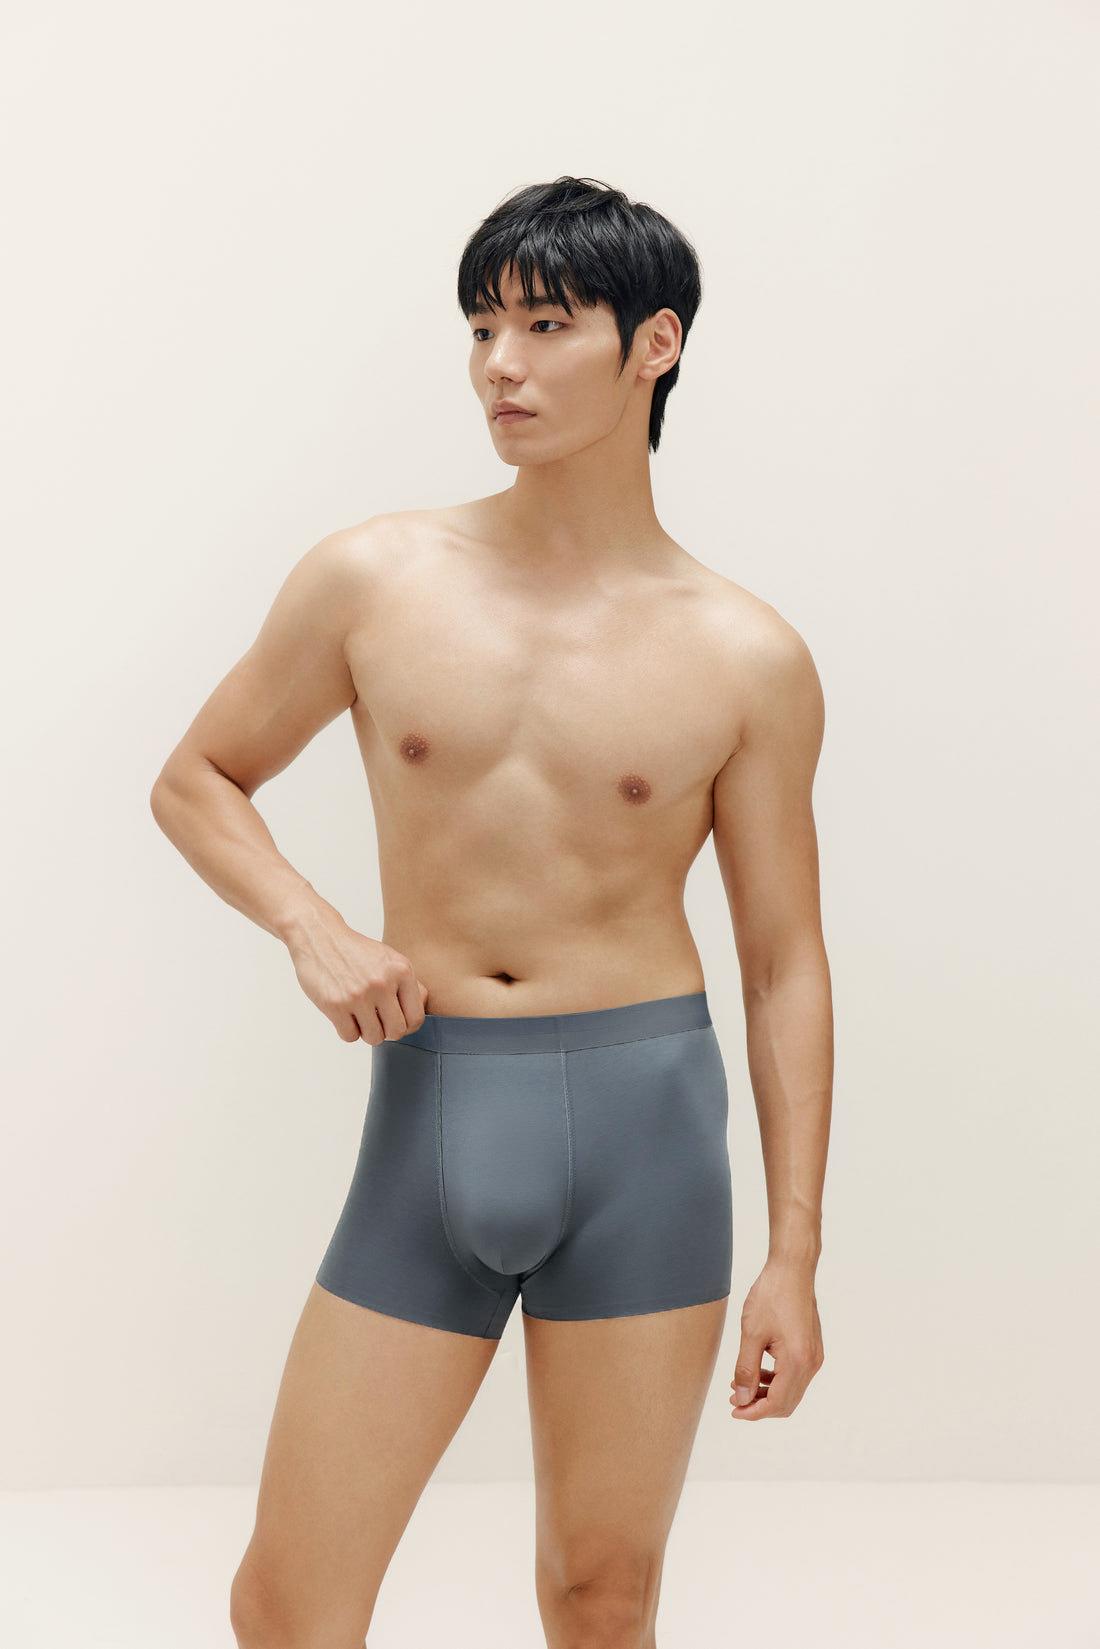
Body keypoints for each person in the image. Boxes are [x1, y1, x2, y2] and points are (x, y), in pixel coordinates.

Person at [150, 174, 833, 1649]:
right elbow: (197, 777)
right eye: (480, 328)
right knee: (287, 1601)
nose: (499, 367)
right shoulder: (374, 579)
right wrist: (311, 924)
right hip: (435, 1112)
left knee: (603, 1596)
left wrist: (794, 1253)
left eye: (544, 325)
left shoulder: (748, 655)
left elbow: (784, 964)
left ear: (654, 346)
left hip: (647, 1133)